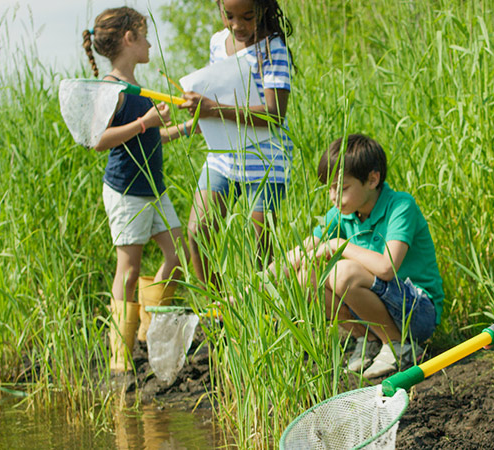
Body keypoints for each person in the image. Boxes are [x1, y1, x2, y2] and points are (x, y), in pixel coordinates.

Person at [82, 6, 195, 374]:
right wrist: (144, 121)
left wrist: (181, 129)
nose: (149, 43)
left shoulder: (138, 89)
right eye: (144, 36)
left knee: (178, 253)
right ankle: (120, 358)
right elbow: (99, 141)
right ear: (129, 39)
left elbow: (150, 135)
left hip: (154, 189)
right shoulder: (113, 89)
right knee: (128, 271)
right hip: (127, 190)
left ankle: (144, 329)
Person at [285, 134, 444, 378]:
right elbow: (301, 251)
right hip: (376, 309)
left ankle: (398, 346)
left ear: (372, 179)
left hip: (415, 312)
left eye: (343, 188)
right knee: (307, 276)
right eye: (330, 188)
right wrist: (256, 284)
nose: (333, 196)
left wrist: (339, 244)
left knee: (344, 273)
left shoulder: (401, 206)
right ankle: (367, 339)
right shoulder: (341, 214)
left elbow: (386, 268)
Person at [179, 0, 294, 288]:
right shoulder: (218, 43)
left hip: (266, 159)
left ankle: (266, 311)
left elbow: (274, 114)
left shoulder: (272, 48)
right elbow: (216, 88)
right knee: (198, 232)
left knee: (260, 241)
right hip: (224, 154)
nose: (237, 25)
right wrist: (198, 108)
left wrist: (212, 108)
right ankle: (219, 309)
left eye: (247, 17)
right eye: (229, 16)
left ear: (264, 9)